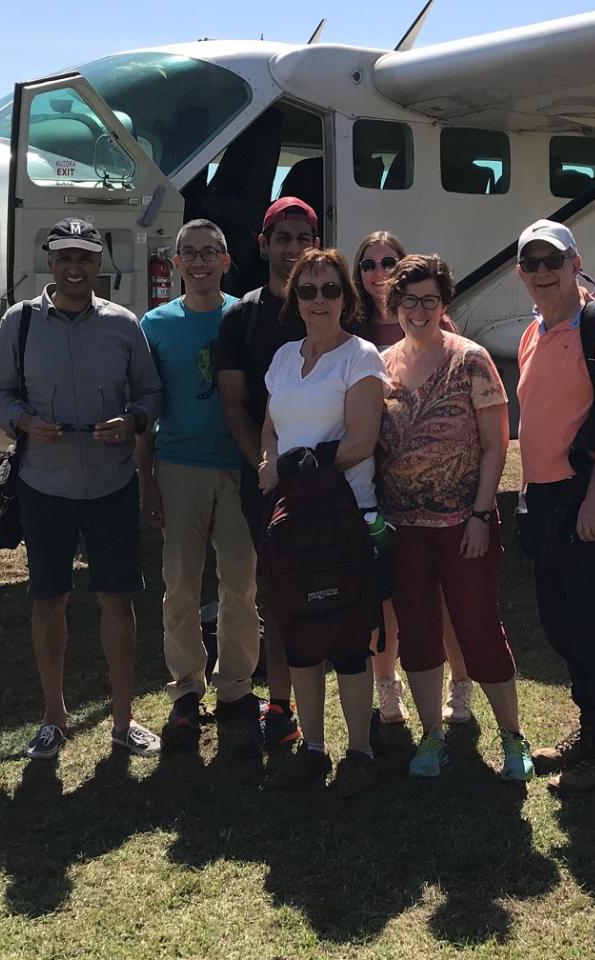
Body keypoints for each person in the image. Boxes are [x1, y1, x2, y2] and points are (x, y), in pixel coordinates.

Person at [0, 217, 164, 761]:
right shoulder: (19, 323)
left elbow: (151, 393)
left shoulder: (123, 324)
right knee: (48, 602)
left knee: (117, 599)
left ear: (99, 263)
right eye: (64, 257)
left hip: (110, 485)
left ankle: (123, 722)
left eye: (85, 256)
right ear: (49, 262)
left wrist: (132, 422)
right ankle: (54, 718)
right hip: (45, 486)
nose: (74, 267)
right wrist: (22, 421)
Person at [375, 254, 533, 781]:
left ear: (444, 304)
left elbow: (494, 447)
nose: (419, 310)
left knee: (478, 628)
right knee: (417, 633)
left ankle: (513, 737)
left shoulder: (471, 360)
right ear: (395, 304)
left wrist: (481, 514)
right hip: (404, 530)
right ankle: (432, 735)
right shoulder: (380, 364)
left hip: (464, 525)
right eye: (409, 299)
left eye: (431, 300)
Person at [512, 219, 595, 795]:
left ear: (574, 262)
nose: (543, 272)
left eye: (553, 260)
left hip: (584, 494)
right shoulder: (532, 331)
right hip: (544, 500)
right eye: (532, 263)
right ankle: (590, 730)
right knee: (562, 625)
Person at [257, 248, 390, 796]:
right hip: (291, 521)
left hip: (344, 517)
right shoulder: (285, 358)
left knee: (349, 638)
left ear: (346, 298)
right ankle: (313, 749)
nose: (318, 300)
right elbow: (270, 425)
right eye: (307, 290)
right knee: (301, 639)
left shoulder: (361, 358)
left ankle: (358, 752)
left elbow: (360, 442)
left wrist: (293, 470)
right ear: (294, 297)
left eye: (329, 290)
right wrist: (268, 461)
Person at [136, 219, 263, 756]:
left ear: (227, 260)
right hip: (179, 464)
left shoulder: (246, 316)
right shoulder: (155, 324)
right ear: (176, 264)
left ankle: (236, 687)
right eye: (190, 253)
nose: (202, 261)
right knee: (181, 584)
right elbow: (146, 405)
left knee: (241, 583)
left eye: (211, 252)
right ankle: (187, 687)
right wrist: (146, 478)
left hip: (237, 466)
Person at [350, 229, 474, 727]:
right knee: (386, 598)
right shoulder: (355, 337)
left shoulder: (442, 333)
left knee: (440, 598)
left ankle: (460, 689)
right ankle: (389, 692)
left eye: (388, 263)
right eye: (368, 265)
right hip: (378, 488)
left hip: (439, 496)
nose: (378, 273)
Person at [215, 197, 319, 750]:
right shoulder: (242, 316)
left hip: (330, 477)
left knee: (335, 582)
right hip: (267, 479)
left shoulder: (330, 305)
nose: (294, 249)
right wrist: (264, 462)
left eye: (304, 238)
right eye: (284, 238)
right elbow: (233, 403)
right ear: (264, 245)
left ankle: (338, 705)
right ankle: (280, 704)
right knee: (277, 592)